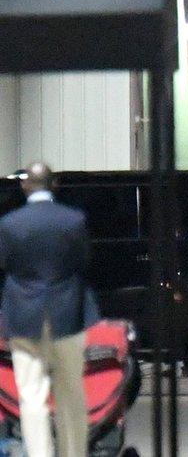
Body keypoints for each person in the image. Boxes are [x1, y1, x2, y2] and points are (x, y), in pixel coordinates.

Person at [0, 163, 99, 457]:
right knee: (71, 393)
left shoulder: (9, 224)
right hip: (66, 311)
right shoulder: (73, 220)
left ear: (25, 186)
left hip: (23, 314)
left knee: (32, 397)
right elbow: (84, 260)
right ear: (54, 185)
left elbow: (5, 264)